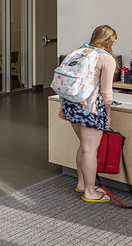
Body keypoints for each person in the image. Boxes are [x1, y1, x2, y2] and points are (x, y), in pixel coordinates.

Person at [58, 24, 118, 202]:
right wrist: (107, 114)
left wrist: (63, 105)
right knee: (90, 149)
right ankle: (90, 192)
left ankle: (82, 184)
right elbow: (106, 92)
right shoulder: (107, 58)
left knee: (84, 146)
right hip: (89, 107)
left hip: (71, 104)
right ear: (110, 41)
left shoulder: (80, 52)